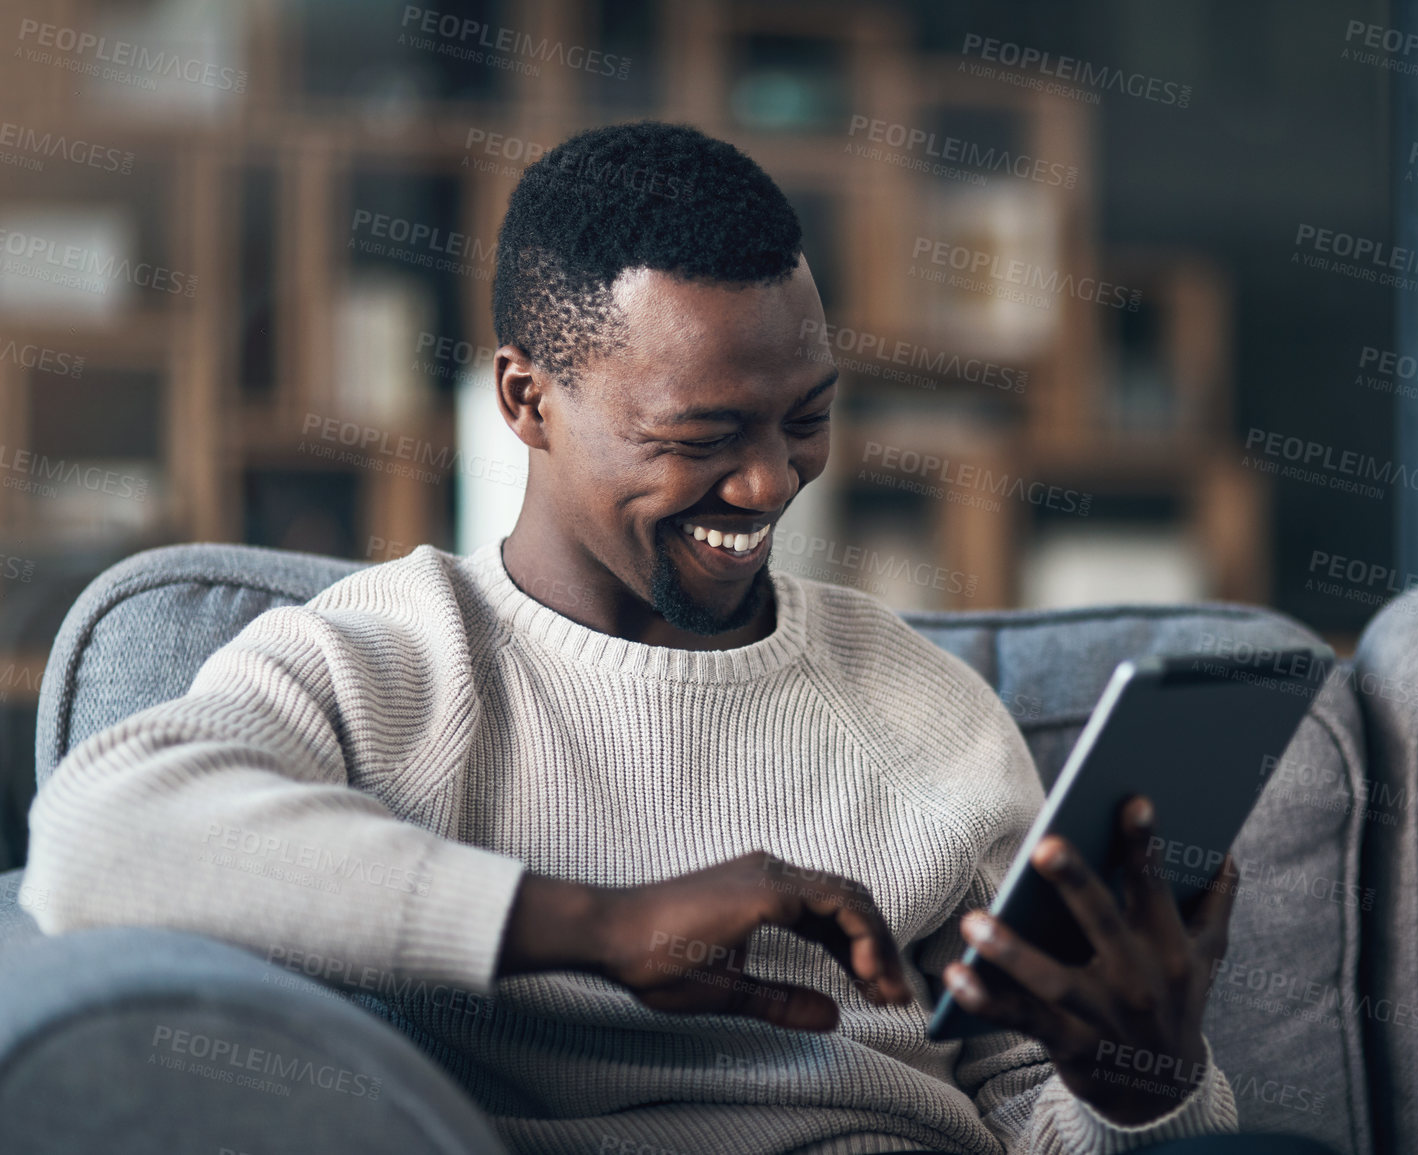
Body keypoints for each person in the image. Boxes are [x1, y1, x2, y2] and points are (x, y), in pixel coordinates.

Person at [23, 121, 1306, 1155]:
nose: (768, 485)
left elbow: (1036, 1109)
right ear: (528, 398)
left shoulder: (923, 708)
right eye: (700, 439)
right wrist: (598, 925)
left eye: (806, 418)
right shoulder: (391, 664)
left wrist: (1144, 1080)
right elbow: (94, 844)